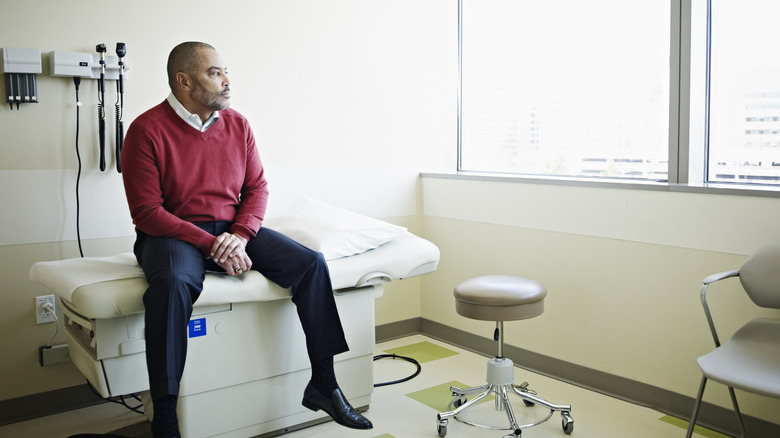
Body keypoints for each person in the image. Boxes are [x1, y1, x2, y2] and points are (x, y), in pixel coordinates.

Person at [120, 41, 373, 438]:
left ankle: (323, 383)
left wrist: (238, 235)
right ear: (184, 81)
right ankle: (166, 415)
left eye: (225, 72)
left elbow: (257, 189)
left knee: (310, 265)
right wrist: (209, 244)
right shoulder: (145, 129)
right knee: (173, 284)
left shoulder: (237, 125)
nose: (226, 81)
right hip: (171, 233)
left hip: (231, 230)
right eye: (214, 73)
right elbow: (148, 213)